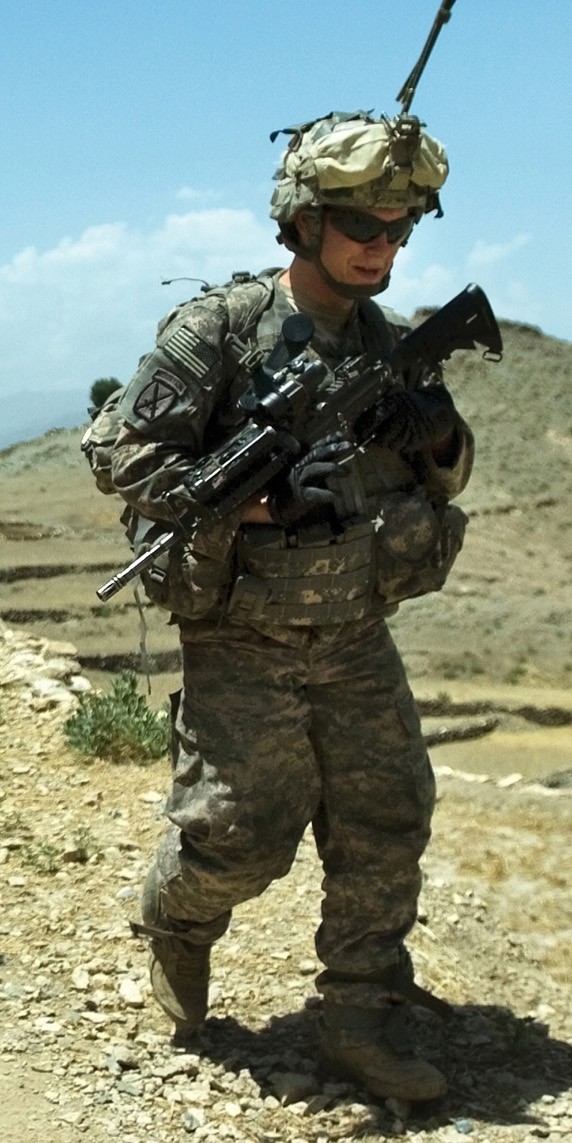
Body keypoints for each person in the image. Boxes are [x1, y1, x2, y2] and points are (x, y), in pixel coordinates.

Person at [108, 112, 471, 1101]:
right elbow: (121, 452)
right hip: (243, 632)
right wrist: (259, 500)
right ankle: (179, 918)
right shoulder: (218, 330)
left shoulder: (394, 343)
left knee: (387, 820)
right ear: (304, 222)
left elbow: (445, 477)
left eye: (401, 228)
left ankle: (361, 1015)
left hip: (356, 627)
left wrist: (433, 431)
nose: (382, 246)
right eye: (362, 224)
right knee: (240, 837)